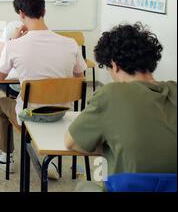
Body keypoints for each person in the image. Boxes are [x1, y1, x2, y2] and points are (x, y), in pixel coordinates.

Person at [65, 23, 177, 192]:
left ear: (114, 65)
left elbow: (72, 142)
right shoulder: (174, 89)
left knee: (84, 186)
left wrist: (113, 144)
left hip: (129, 187)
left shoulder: (111, 93)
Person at [0, 0, 87, 174]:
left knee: (2, 104)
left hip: (29, 115)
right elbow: (79, 78)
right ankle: (48, 157)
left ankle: (6, 158)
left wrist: (14, 42)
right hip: (63, 113)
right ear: (44, 11)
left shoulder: (14, 45)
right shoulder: (70, 44)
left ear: (21, 14)